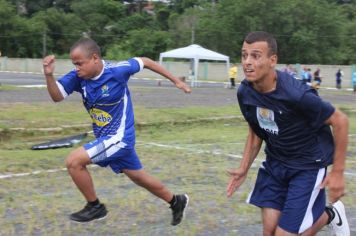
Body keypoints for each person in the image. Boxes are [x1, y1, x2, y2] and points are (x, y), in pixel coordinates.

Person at [42, 38, 191, 225]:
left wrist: (176, 81)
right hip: (106, 138)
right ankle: (176, 201)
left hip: (119, 138)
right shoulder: (78, 78)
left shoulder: (117, 71)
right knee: (139, 177)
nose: (77, 68)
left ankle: (95, 207)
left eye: (80, 63)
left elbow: (146, 61)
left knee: (74, 161)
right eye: (74, 64)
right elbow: (57, 96)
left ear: (95, 58)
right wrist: (48, 75)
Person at [227, 31, 350, 236]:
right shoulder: (245, 92)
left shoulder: (297, 95)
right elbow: (256, 129)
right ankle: (329, 214)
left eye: (255, 56)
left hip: (307, 166)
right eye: (244, 55)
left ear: (272, 60)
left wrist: (337, 173)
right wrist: (243, 167)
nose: (247, 62)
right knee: (269, 231)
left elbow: (341, 121)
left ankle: (330, 214)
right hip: (276, 163)